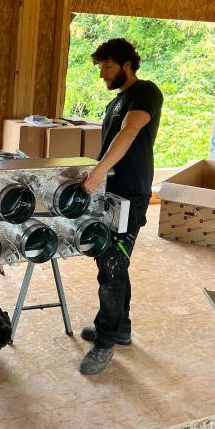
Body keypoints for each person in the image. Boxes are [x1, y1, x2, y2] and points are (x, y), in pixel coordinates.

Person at [78, 38, 163, 375]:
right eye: (100, 67)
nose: (102, 74)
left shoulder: (146, 93)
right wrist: (98, 171)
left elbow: (129, 132)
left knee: (112, 265)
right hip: (112, 193)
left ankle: (106, 340)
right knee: (110, 260)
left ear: (128, 64)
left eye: (107, 66)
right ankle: (118, 327)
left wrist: (100, 170)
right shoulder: (118, 100)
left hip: (131, 193)